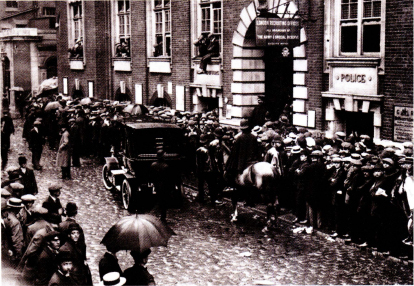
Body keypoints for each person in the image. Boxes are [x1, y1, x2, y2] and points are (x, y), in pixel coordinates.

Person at [150, 150, 174, 221]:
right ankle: (163, 217)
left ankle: (158, 214)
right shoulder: (166, 166)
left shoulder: (153, 165)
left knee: (159, 199)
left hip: (157, 185)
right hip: (164, 186)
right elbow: (168, 179)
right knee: (164, 201)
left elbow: (151, 176)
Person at [2, 197, 25, 268]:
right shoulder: (15, 222)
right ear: (17, 209)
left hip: (6, 248)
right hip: (12, 251)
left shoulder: (7, 216)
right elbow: (17, 240)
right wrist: (19, 255)